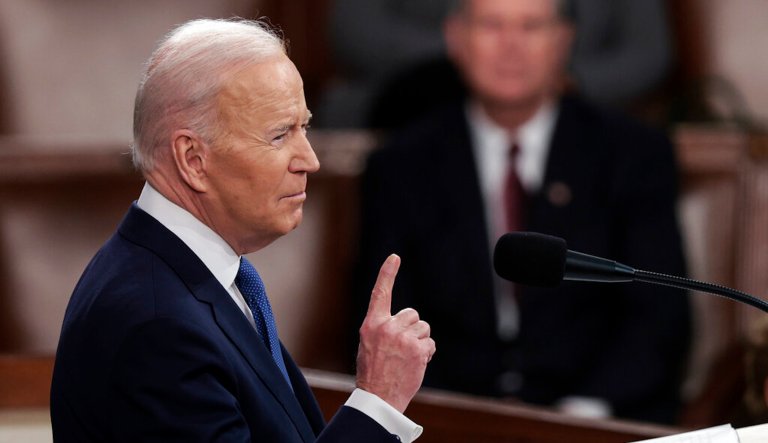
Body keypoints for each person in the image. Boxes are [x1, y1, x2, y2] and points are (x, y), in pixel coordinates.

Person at [50, 18, 435, 442]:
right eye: (279, 135)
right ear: (193, 159)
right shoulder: (158, 326)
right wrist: (377, 401)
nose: (310, 160)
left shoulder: (183, 273)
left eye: (303, 128)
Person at [354, 0, 690, 425]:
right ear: (455, 37)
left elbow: (658, 318)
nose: (511, 47)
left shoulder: (634, 155)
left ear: (565, 39)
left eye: (531, 26)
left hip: (594, 421)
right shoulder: (401, 166)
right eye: (492, 25)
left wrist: (579, 417)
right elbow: (387, 315)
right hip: (447, 424)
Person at [318, 0, 673, 128]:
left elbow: (648, 51)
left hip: (572, 106)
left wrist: (563, 76)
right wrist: (476, 53)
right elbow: (354, 29)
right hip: (413, 104)